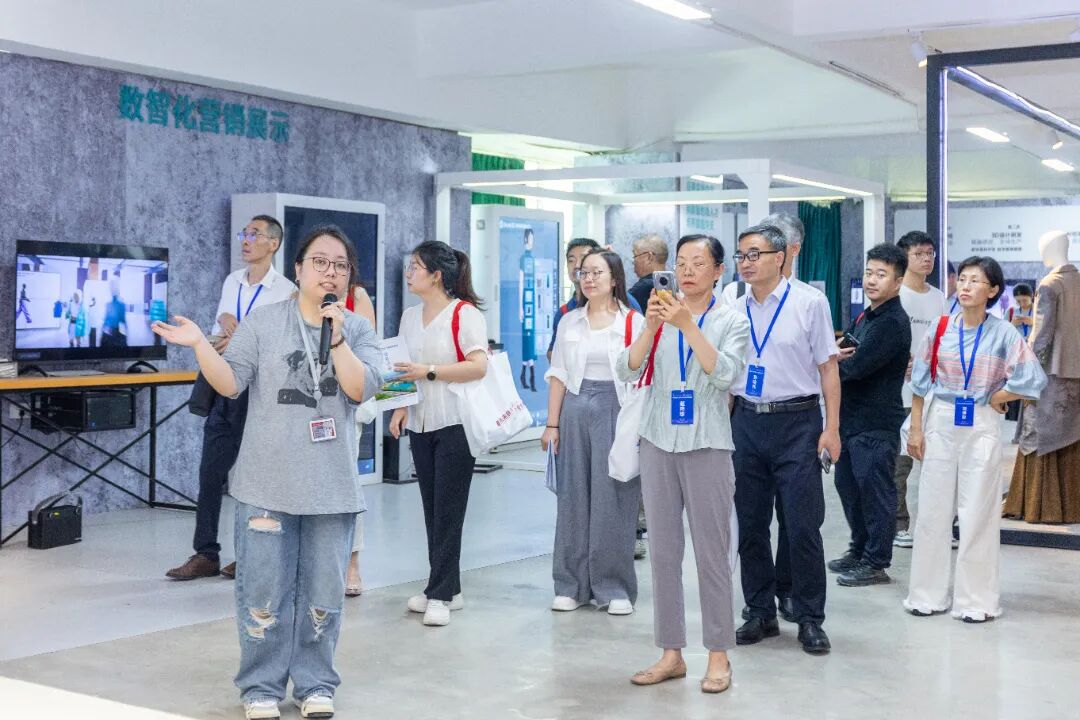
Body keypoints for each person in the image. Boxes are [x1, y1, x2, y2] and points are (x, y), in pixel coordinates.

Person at [153, 223, 382, 720]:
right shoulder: (263, 323)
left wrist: (338, 339)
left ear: (348, 277)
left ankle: (316, 684)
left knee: (323, 596)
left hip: (331, 490)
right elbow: (231, 383)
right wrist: (200, 345)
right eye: (319, 262)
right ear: (298, 269)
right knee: (262, 593)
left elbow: (361, 389)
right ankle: (260, 687)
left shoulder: (359, 329)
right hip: (265, 486)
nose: (330, 272)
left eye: (340, 265)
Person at [620, 234, 748, 693]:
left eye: (699, 262)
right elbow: (627, 368)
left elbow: (726, 374)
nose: (688, 271)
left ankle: (718, 655)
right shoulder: (656, 314)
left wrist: (688, 325)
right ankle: (670, 652)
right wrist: (652, 327)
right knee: (663, 552)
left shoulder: (731, 320)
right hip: (657, 440)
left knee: (712, 553)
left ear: (719, 271)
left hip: (707, 443)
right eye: (681, 263)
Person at [904, 256, 1046, 623]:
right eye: (963, 279)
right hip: (941, 417)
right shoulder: (940, 328)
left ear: (993, 290)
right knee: (932, 509)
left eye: (975, 281)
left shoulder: (1004, 333)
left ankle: (976, 601)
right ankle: (925, 594)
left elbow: (1033, 379)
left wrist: (997, 395)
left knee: (978, 511)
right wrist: (916, 429)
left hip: (981, 420)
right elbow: (919, 383)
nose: (965, 287)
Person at [166, 215, 297, 582]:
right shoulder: (232, 282)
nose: (246, 240)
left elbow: (279, 347)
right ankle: (205, 553)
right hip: (224, 385)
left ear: (273, 243)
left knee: (256, 477)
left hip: (259, 393)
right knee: (210, 472)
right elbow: (215, 335)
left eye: (255, 234)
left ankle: (252, 553)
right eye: (244, 233)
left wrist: (237, 340)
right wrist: (224, 330)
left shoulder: (285, 291)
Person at [731, 223, 840, 656]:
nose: (746, 263)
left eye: (754, 254)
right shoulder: (733, 306)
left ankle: (810, 618)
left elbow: (828, 367)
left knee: (802, 526)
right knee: (751, 525)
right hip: (746, 422)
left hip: (798, 423)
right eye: (741, 255)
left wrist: (832, 428)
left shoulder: (809, 303)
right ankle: (760, 612)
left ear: (780, 258)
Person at [389, 241, 489, 628]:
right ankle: (448, 587)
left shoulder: (464, 314)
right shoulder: (409, 317)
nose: (409, 272)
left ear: (436, 275)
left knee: (449, 511)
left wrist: (429, 371)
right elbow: (402, 369)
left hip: (455, 423)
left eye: (416, 266)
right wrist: (399, 407)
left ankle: (441, 594)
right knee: (431, 509)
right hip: (420, 422)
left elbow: (478, 366)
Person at [543, 249, 643, 616]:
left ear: (614, 279)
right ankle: (571, 585)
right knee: (571, 497)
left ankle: (613, 587)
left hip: (617, 407)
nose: (588, 278)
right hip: (574, 405)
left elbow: (642, 374)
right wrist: (551, 424)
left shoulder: (634, 322)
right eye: (583, 272)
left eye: (596, 272)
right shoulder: (570, 322)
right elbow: (558, 374)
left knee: (613, 497)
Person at [829, 244, 911, 587]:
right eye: (868, 272)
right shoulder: (867, 315)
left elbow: (854, 366)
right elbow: (843, 349)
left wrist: (830, 361)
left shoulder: (891, 322)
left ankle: (876, 561)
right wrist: (835, 356)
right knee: (849, 488)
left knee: (875, 492)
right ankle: (859, 549)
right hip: (851, 420)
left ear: (898, 281)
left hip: (875, 424)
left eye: (881, 274)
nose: (872, 280)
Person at [892, 231, 948, 550]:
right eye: (919, 254)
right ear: (905, 257)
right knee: (899, 466)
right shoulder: (896, 294)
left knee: (938, 463)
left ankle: (939, 526)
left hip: (934, 392)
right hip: (900, 392)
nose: (927, 259)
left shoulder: (939, 297)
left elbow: (945, 339)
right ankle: (898, 525)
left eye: (930, 253)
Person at [628, 234, 669, 560]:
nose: (633, 263)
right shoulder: (675, 289)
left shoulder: (640, 292)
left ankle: (638, 528)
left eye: (636, 256)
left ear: (650, 257)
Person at [548, 238, 641, 362]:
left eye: (583, 258)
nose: (577, 265)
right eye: (571, 260)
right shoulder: (565, 315)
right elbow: (554, 356)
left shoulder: (628, 308)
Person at [345, 282, 377, 598]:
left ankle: (352, 562)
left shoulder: (357, 297)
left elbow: (370, 352)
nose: (329, 271)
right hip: (307, 403)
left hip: (347, 402)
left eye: (338, 264)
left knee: (348, 482)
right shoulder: (298, 297)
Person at [519, 229, 539, 392]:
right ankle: (528, 378)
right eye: (530, 239)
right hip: (526, 306)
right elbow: (521, 283)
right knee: (527, 340)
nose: (531, 242)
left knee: (531, 339)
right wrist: (520, 307)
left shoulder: (532, 259)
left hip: (532, 306)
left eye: (533, 239)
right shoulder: (523, 259)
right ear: (525, 240)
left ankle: (526, 376)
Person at [628, 234, 669, 310]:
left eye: (635, 256)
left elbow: (616, 305)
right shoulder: (671, 283)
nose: (633, 261)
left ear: (649, 257)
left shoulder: (644, 287)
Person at [100, 275, 128, 347]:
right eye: (111, 285)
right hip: (109, 332)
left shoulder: (120, 304)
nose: (112, 288)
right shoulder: (108, 303)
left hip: (115, 332)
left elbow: (123, 321)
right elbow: (106, 319)